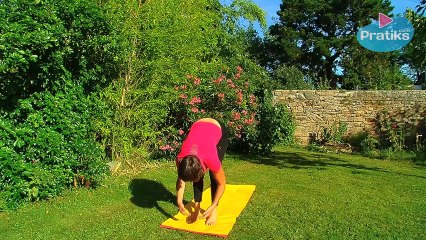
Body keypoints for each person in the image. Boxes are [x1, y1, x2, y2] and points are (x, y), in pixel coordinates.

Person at [175, 118, 229, 225]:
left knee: (214, 177)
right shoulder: (181, 159)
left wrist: (213, 205)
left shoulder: (211, 158)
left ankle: (213, 212)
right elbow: (181, 180)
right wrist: (179, 201)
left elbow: (221, 184)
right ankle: (197, 207)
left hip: (218, 129)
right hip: (199, 126)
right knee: (193, 173)